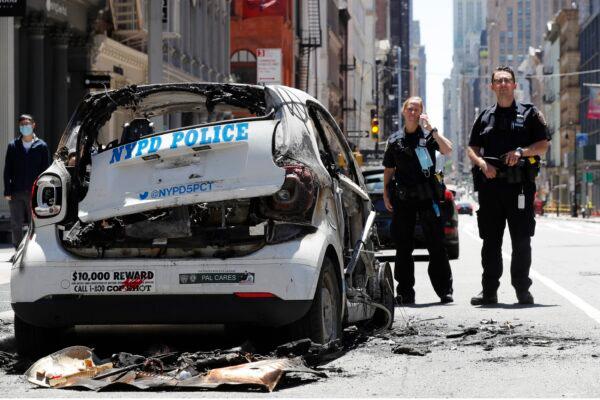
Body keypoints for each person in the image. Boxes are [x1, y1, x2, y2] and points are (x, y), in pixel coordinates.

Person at [467, 66, 550, 305]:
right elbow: (472, 149)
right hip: (491, 187)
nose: (503, 84)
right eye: (498, 81)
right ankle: (489, 291)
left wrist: (522, 152)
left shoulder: (530, 113)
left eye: (507, 80)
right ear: (492, 86)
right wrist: (483, 164)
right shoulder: (484, 117)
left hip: (520, 188)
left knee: (522, 241)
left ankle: (522, 290)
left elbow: (543, 145)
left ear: (515, 85)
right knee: (490, 242)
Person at [382, 96, 454, 304]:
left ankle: (444, 290)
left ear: (422, 113)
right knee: (403, 246)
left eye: (416, 109)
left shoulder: (429, 137)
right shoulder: (395, 140)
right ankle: (405, 291)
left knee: (436, 244)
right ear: (404, 112)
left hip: (427, 198)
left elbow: (448, 149)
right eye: (409, 109)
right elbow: (389, 169)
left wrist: (433, 130)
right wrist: (387, 193)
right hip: (403, 199)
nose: (412, 112)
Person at [4, 114, 50, 249]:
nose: (25, 126)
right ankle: (18, 249)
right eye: (22, 124)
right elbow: (8, 170)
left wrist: (44, 191)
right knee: (16, 223)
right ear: (19, 127)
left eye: (28, 124)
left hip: (35, 191)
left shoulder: (41, 146)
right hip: (16, 191)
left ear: (33, 125)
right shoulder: (13, 146)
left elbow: (45, 170)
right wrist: (7, 190)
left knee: (34, 222)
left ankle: (32, 249)